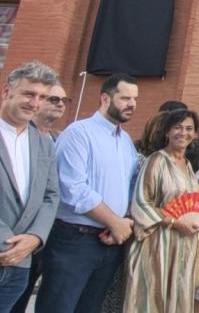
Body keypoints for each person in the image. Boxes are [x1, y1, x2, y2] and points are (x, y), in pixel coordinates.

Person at [36, 74, 140, 313]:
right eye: (125, 98)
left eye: (135, 99)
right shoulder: (79, 133)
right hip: (74, 241)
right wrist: (115, 222)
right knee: (58, 307)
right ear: (105, 98)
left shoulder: (125, 142)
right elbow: (72, 189)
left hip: (110, 241)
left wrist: (123, 224)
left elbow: (129, 189)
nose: (132, 104)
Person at [123, 109, 199, 312]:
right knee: (152, 300)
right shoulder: (156, 161)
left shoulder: (188, 166)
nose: (183, 133)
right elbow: (141, 203)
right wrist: (175, 223)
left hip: (184, 246)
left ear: (195, 134)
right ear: (167, 132)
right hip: (157, 244)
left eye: (189, 129)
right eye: (177, 127)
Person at [0, 61, 59, 312]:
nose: (35, 103)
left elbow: (51, 195)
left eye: (42, 97)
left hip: (20, 264)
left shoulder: (43, 143)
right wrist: (7, 242)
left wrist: (35, 237)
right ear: (6, 92)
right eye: (28, 94)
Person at [9, 81, 66, 313]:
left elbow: (53, 192)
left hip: (43, 239)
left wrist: (37, 235)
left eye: (64, 100)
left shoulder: (56, 139)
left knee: (22, 301)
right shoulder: (16, 136)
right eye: (54, 99)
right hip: (12, 239)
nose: (60, 104)